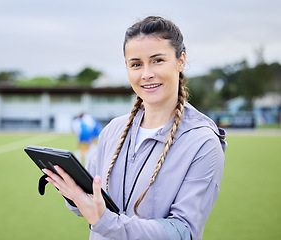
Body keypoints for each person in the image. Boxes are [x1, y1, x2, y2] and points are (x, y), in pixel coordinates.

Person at [42, 16, 226, 240]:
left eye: (158, 60)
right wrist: (73, 195)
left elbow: (182, 232)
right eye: (136, 64)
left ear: (181, 61)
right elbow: (89, 205)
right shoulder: (113, 130)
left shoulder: (202, 141)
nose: (146, 74)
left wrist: (106, 221)